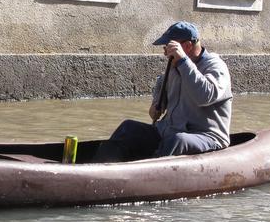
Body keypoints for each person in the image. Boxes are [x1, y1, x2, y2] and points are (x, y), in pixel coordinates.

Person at [93, 21, 232, 162]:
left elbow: (204, 96)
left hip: (206, 136)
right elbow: (162, 84)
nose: (165, 52)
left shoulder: (215, 66)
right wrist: (156, 104)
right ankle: (101, 170)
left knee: (178, 140)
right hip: (169, 130)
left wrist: (183, 61)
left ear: (187, 46)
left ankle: (146, 177)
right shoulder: (176, 66)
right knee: (128, 128)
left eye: (168, 47)